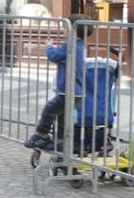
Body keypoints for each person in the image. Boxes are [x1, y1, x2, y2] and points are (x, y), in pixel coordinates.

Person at [23, 15, 91, 152]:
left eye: (65, 28)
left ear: (73, 30)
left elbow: (53, 56)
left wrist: (48, 46)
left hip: (68, 91)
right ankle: (60, 143)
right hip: (77, 92)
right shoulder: (80, 45)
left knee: (49, 109)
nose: (63, 31)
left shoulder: (70, 45)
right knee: (61, 118)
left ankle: (41, 135)